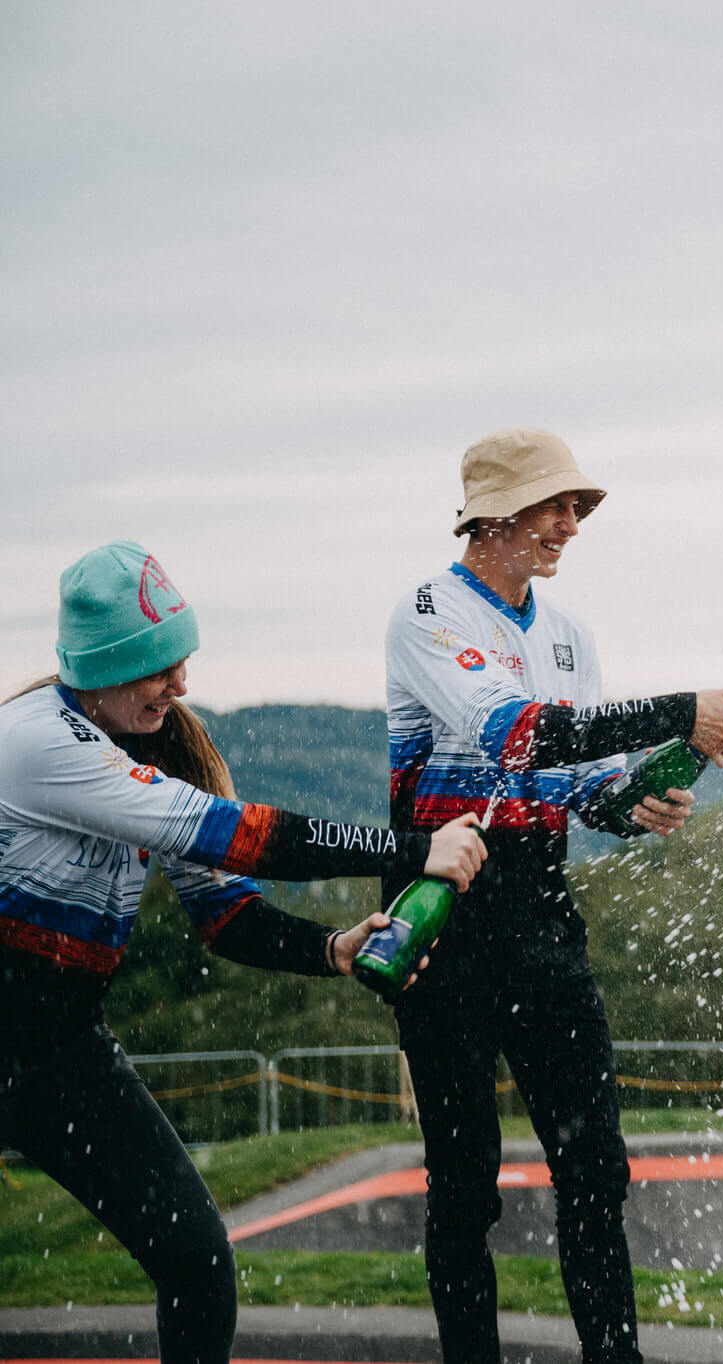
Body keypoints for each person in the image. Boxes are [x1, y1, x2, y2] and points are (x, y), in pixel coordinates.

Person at [0, 540, 487, 1364]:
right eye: (158, 666)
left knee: (197, 1262)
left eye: (182, 661)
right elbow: (244, 837)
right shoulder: (32, 742)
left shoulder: (154, 751)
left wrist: (331, 947)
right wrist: (411, 851)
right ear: (101, 667)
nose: (181, 684)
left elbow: (227, 914)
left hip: (56, 1052)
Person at [384, 427, 723, 1364]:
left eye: (575, 508)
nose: (570, 525)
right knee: (465, 1184)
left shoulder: (568, 633)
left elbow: (576, 784)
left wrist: (640, 800)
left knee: (596, 1169)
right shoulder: (428, 610)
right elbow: (514, 737)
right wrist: (678, 710)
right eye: (554, 506)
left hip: (538, 905)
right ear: (493, 514)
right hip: (441, 904)